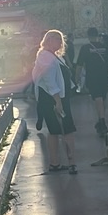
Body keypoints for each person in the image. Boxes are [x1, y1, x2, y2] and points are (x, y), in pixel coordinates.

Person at [32, 29, 77, 173]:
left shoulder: (55, 56)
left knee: (58, 130)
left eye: (60, 39)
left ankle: (57, 162)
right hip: (52, 98)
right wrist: (57, 101)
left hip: (59, 97)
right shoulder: (45, 56)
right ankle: (68, 162)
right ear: (48, 40)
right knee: (63, 129)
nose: (59, 41)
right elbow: (49, 80)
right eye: (56, 39)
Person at [75, 27, 108, 136]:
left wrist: (76, 78)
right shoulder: (104, 47)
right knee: (103, 98)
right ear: (97, 36)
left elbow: (79, 65)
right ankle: (101, 118)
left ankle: (102, 121)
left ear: (88, 36)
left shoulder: (85, 48)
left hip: (92, 77)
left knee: (97, 99)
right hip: (104, 77)